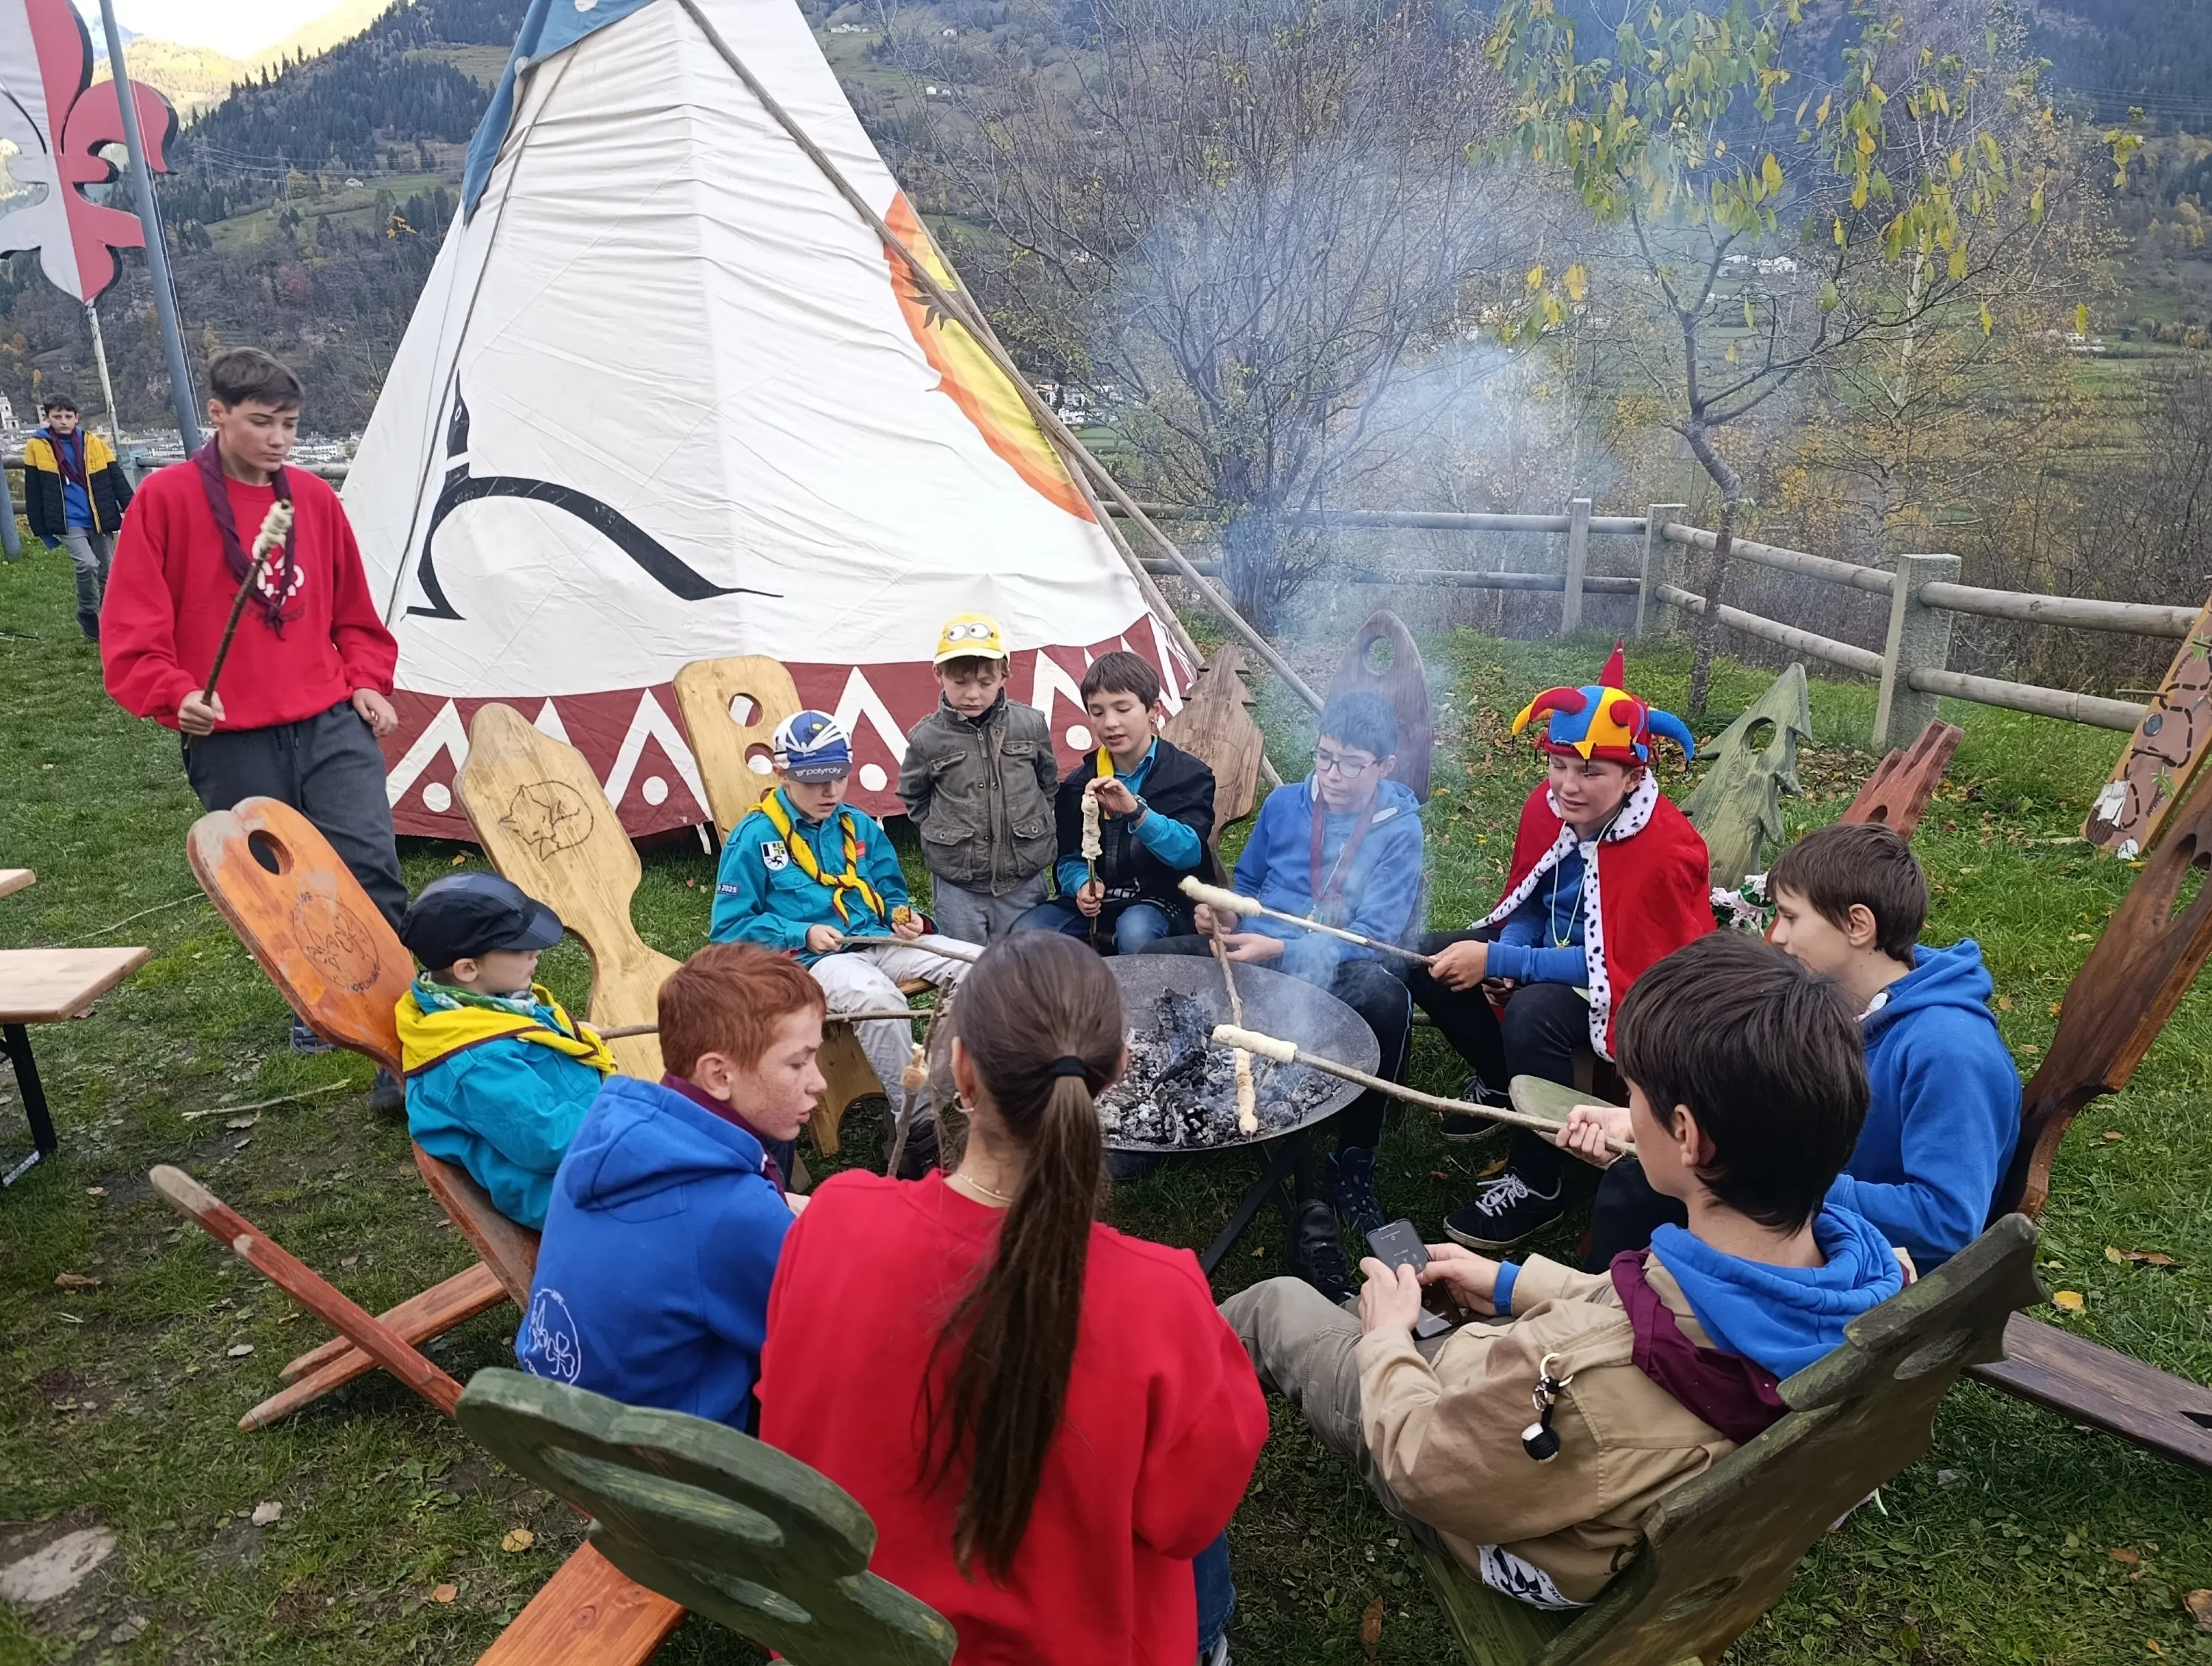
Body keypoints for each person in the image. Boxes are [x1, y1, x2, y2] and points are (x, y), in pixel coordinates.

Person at [1222, 931, 1906, 1614]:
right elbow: (1651, 1312)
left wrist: (1387, 1345)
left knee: (1277, 1304)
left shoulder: (1582, 1377)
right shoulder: (1857, 1277)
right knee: (1386, 1306)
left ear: (1689, 1136)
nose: (1625, 1112)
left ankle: (1290, 1331)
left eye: (1634, 1092)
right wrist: (1510, 1284)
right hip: (1588, 1471)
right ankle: (1358, 1305)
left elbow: (1425, 1470)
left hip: (1510, 1514)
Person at [757, 935, 1266, 1666]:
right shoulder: (1163, 1298)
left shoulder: (835, 1221)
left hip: (849, 1640)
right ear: (1115, 1073)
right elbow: (1190, 1520)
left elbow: (785, 1406)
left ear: (961, 1070)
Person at [100, 348, 407, 1108]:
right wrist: (176, 695)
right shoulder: (166, 501)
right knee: (279, 886)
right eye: (262, 422)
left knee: (368, 866)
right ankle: (321, 1008)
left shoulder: (312, 501)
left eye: (290, 425)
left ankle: (403, 1042)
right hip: (233, 736)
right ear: (219, 414)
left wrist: (366, 684)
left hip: (329, 720)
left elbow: (356, 618)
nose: (278, 439)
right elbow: (132, 632)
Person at [1579, 824, 2022, 1274]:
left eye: (1791, 917)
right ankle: (1608, 1309)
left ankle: (1614, 1320)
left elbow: (1946, 1222)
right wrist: (1647, 1123)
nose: (1776, 937)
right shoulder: (1836, 1005)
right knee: (1637, 1183)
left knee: (1641, 1197)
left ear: (1857, 925)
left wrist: (1781, 1183)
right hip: (1797, 1210)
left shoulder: (1951, 1051)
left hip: (1863, 1264)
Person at [1403, 642, 1710, 1253]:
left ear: (1633, 775)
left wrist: (1504, 962)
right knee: (1428, 960)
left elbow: (1626, 966)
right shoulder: (1547, 810)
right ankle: (1502, 1085)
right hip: (1557, 955)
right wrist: (1508, 949)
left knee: (1534, 1010)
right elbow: (1528, 901)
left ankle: (1537, 1180)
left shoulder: (1663, 850)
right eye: (1559, 765)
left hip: (1636, 992)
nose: (1569, 786)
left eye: (1591, 772)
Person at [1142, 689, 1422, 1299]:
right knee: (1151, 963)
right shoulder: (1285, 804)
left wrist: (1284, 951)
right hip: (1257, 950)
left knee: (1385, 1000)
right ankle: (1168, 1104)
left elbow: (1374, 938)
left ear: (1385, 767)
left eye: (1352, 763)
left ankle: (1355, 1160)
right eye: (1325, 757)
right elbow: (1247, 882)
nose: (1333, 775)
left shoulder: (1398, 828)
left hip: (1338, 960)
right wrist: (1226, 919)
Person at [515, 942, 821, 1429]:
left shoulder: (613, 1126)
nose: (818, 1081)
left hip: (574, 1427)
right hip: (681, 1461)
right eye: (798, 1062)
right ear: (719, 1074)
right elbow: (823, 1337)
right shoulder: (734, 1212)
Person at [710, 708, 973, 1176]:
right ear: (782, 771)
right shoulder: (756, 838)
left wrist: (903, 915)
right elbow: (728, 930)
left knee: (980, 965)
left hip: (876, 940)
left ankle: (935, 1092)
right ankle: (919, 1128)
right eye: (814, 780)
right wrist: (800, 932)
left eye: (837, 777)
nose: (829, 791)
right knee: (876, 996)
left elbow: (891, 888)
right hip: (813, 959)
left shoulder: (858, 825)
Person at [394, 872, 615, 1229]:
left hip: (592, 1144)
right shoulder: (478, 1065)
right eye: (521, 948)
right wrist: (638, 1121)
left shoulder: (480, 1004)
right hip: (571, 1193)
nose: (537, 953)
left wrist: (569, 1037)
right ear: (468, 969)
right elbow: (551, 1142)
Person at [1014, 649, 1215, 955]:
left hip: (1161, 899)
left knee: (1136, 932)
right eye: (1097, 712)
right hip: (1099, 904)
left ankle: (1139, 1002)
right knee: (1027, 933)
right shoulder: (1082, 782)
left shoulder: (1188, 776)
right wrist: (1082, 883)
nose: (1110, 723)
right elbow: (1067, 858)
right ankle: (1062, 1001)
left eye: (1123, 709)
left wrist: (1137, 812)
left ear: (1154, 710)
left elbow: (1189, 854)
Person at [900, 612, 1059, 943]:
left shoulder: (1030, 724)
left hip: (1022, 875)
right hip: (960, 883)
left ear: (1005, 674)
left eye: (985, 683)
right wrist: (945, 831)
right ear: (938, 674)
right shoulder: (926, 738)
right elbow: (914, 795)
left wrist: (1033, 819)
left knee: (1024, 962)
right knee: (963, 965)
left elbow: (1047, 781)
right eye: (960, 683)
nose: (973, 694)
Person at [22, 395, 133, 642]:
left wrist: (134, 508)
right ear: (47, 418)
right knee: (87, 564)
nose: (63, 422)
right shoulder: (37, 446)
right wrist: (40, 527)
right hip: (66, 519)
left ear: (77, 418)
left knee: (108, 570)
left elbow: (116, 478)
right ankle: (87, 612)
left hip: (98, 516)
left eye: (68, 417)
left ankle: (108, 616)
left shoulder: (93, 443)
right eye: (57, 417)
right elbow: (34, 489)